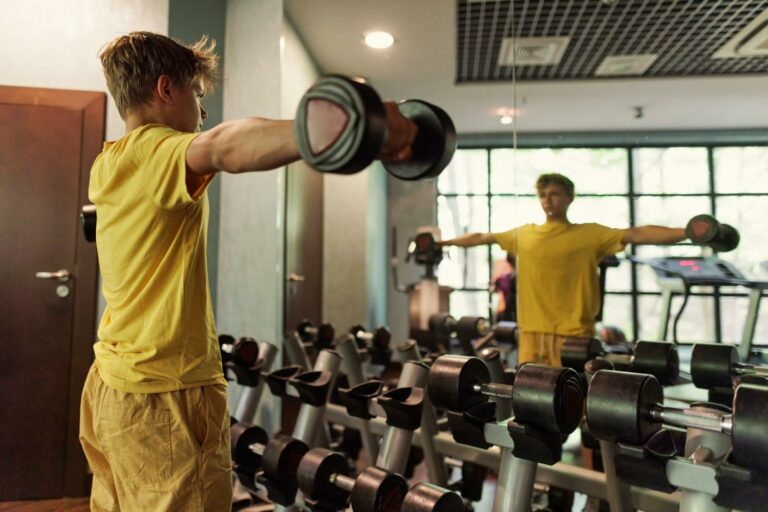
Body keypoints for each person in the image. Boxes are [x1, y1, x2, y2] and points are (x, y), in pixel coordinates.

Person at [78, 31, 416, 511]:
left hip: (111, 384)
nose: (202, 113)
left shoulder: (108, 161)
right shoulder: (155, 149)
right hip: (166, 393)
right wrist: (351, 126)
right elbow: (222, 147)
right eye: (197, 95)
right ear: (166, 89)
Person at [439, 173, 687, 367]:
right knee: (532, 398)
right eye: (543, 195)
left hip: (574, 333)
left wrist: (688, 232)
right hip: (532, 332)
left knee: (571, 397)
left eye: (555, 194)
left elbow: (636, 234)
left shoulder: (590, 234)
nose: (548, 200)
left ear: (570, 197)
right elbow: (481, 237)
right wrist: (442, 243)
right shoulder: (524, 234)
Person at [492, 253, 517, 322]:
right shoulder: (504, 279)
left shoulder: (504, 279)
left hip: (508, 310)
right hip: (508, 310)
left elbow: (493, 289)